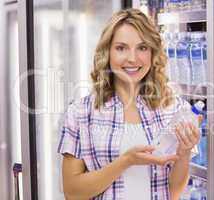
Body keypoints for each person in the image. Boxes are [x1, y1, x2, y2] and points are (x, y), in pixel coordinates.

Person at [57, 8, 200, 200]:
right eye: (121, 48)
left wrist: (183, 153)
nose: (132, 58)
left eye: (142, 47)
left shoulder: (174, 109)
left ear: (152, 53)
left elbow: (173, 193)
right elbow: (72, 193)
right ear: (107, 53)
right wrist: (127, 161)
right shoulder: (80, 113)